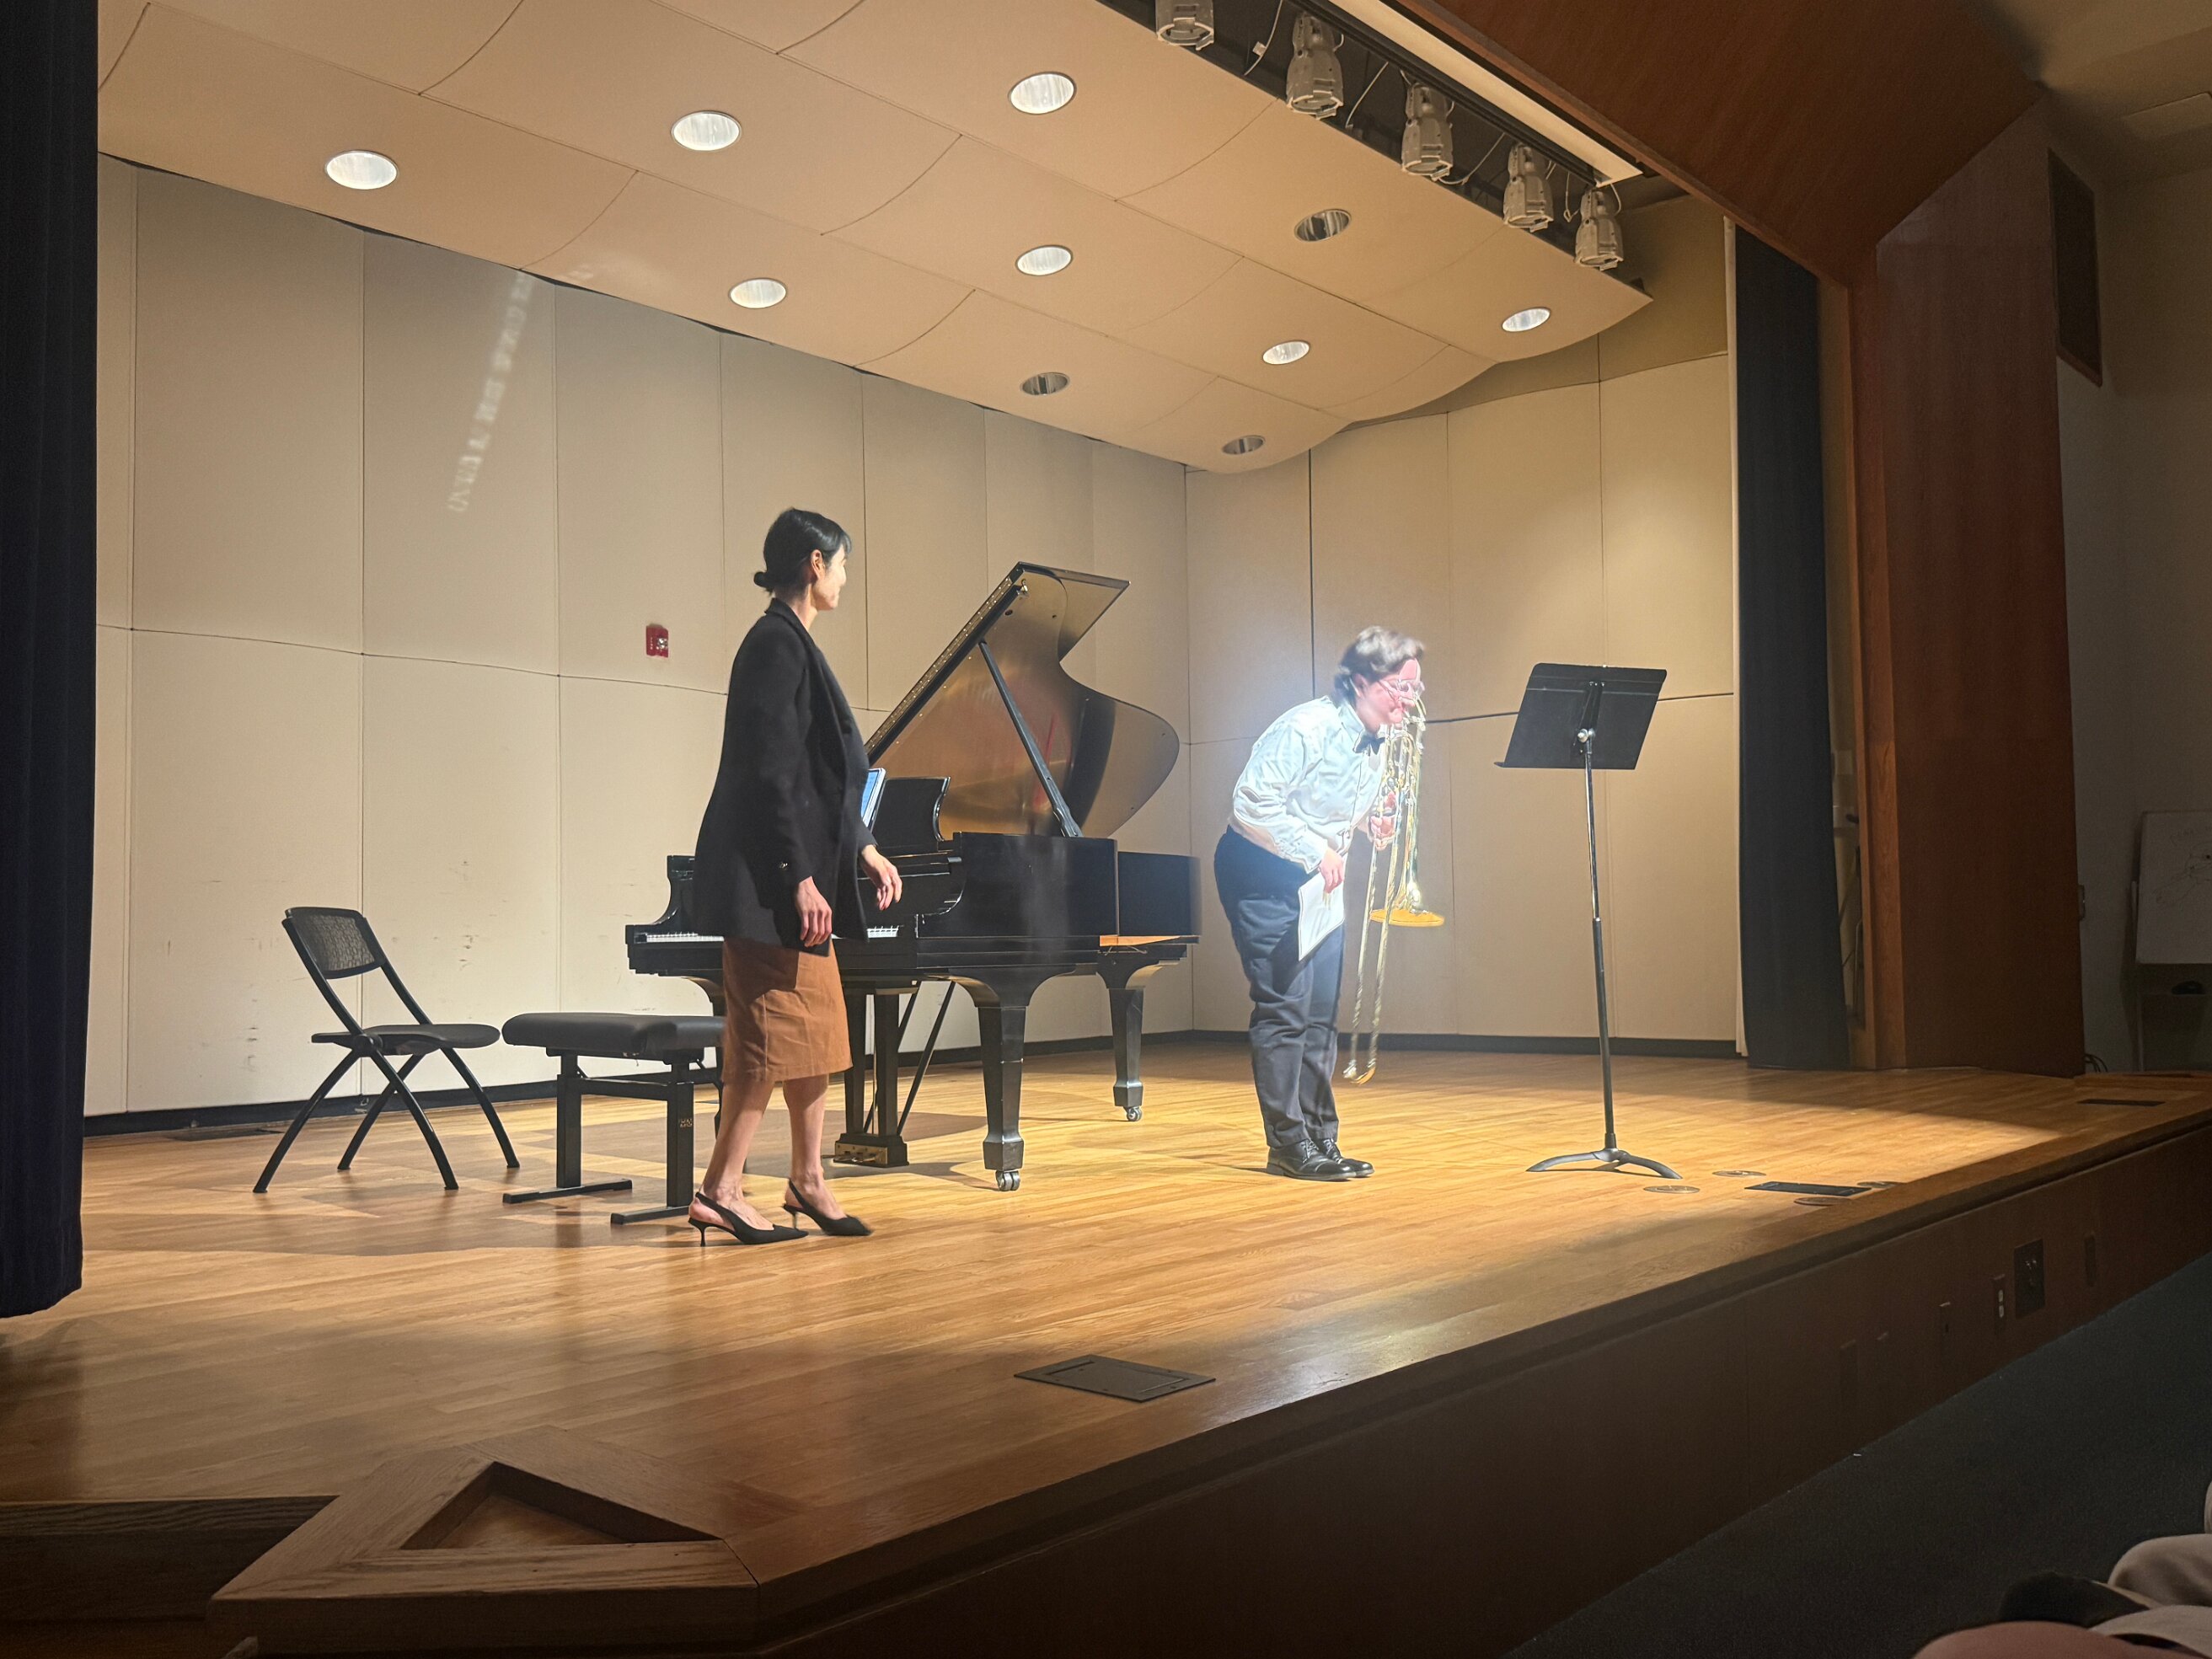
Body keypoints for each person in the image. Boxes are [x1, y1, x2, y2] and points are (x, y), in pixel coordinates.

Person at [686, 509, 902, 1244]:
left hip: (792, 886)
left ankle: (808, 1179)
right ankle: (720, 1189)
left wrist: (862, 846)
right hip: (769, 888)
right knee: (768, 1038)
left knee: (816, 1035)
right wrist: (798, 878)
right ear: (815, 563)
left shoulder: (793, 643)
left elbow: (819, 779)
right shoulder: (774, 645)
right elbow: (767, 776)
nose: (844, 578)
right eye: (841, 565)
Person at [1216, 626, 1422, 1182]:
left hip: (1318, 881)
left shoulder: (1380, 738)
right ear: (1360, 682)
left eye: (1414, 688)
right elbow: (1251, 803)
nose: (1409, 699)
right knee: (1284, 1008)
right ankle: (1287, 1145)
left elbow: (1335, 805)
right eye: (1399, 687)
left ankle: (1320, 1137)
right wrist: (1314, 849)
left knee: (1319, 1014)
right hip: (1261, 873)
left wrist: (1371, 822)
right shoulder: (1305, 727)